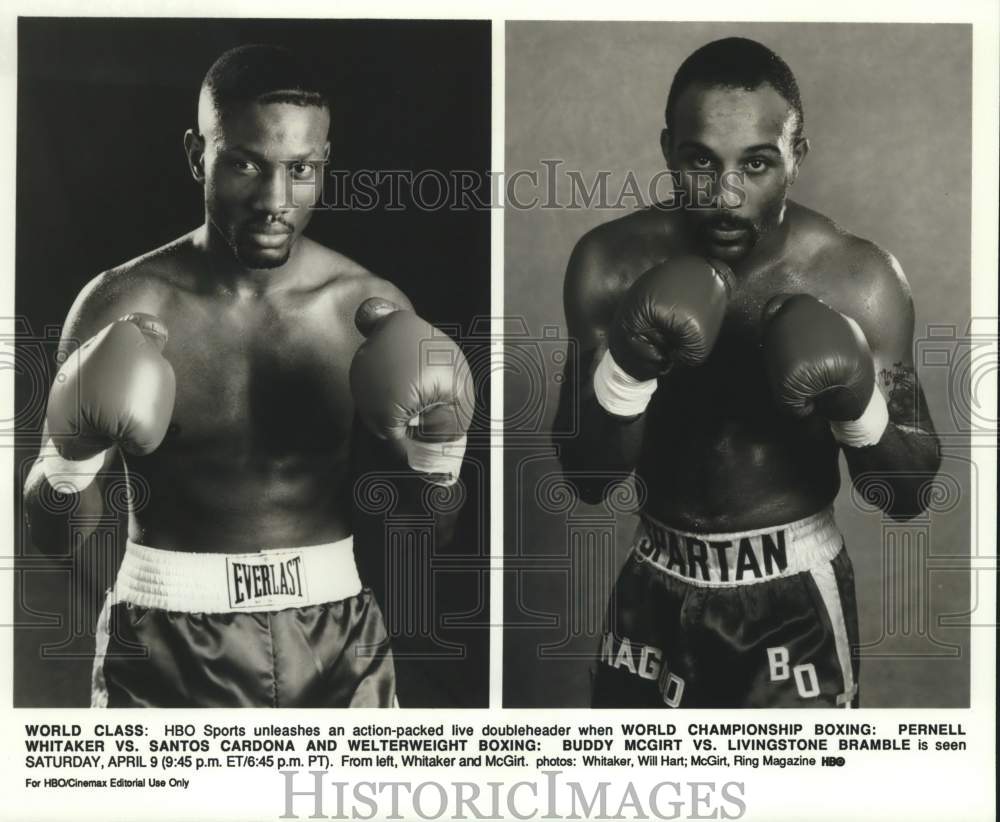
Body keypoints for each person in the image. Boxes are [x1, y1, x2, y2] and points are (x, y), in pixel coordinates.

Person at [22, 44, 473, 708]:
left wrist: (442, 453)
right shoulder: (122, 303)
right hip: (165, 642)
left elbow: (429, 531)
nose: (274, 200)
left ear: (325, 164)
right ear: (195, 154)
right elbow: (53, 532)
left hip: (338, 641)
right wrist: (70, 460)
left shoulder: (366, 307)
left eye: (301, 170)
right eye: (245, 164)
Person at [555, 37, 941, 708]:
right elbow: (588, 479)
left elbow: (907, 495)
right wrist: (630, 366)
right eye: (701, 162)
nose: (726, 194)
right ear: (668, 149)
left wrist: (858, 403)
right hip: (656, 580)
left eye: (757, 164)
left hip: (793, 596)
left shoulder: (857, 279)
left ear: (797, 157)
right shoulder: (610, 265)